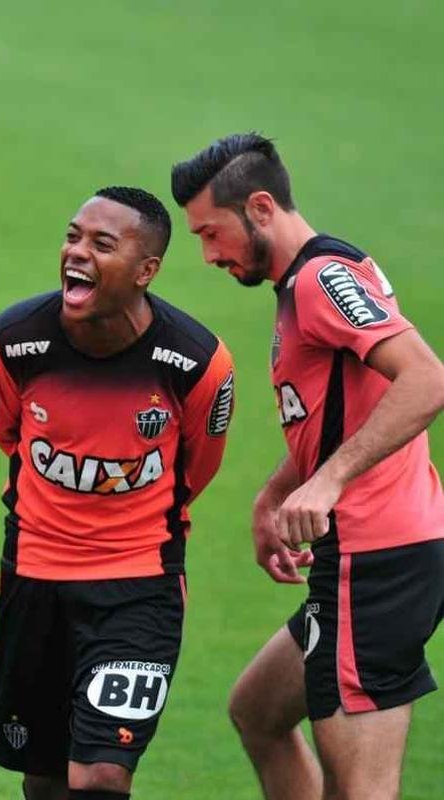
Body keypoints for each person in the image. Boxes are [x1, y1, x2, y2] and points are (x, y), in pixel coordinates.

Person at [171, 132, 444, 800]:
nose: (208, 255)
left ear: (259, 208)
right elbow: (341, 411)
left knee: (360, 790)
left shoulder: (321, 280)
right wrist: (275, 493)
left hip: (372, 558)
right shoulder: (307, 280)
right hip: (367, 554)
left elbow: (425, 380)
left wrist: (327, 482)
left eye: (212, 234)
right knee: (258, 712)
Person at [0, 186, 235, 800]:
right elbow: (8, 436)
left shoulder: (197, 363)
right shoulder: (13, 340)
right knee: (43, 775)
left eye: (102, 244)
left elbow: (195, 469)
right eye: (73, 236)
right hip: (35, 578)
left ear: (146, 270)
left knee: (100, 774)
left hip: (137, 586)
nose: (77, 253)